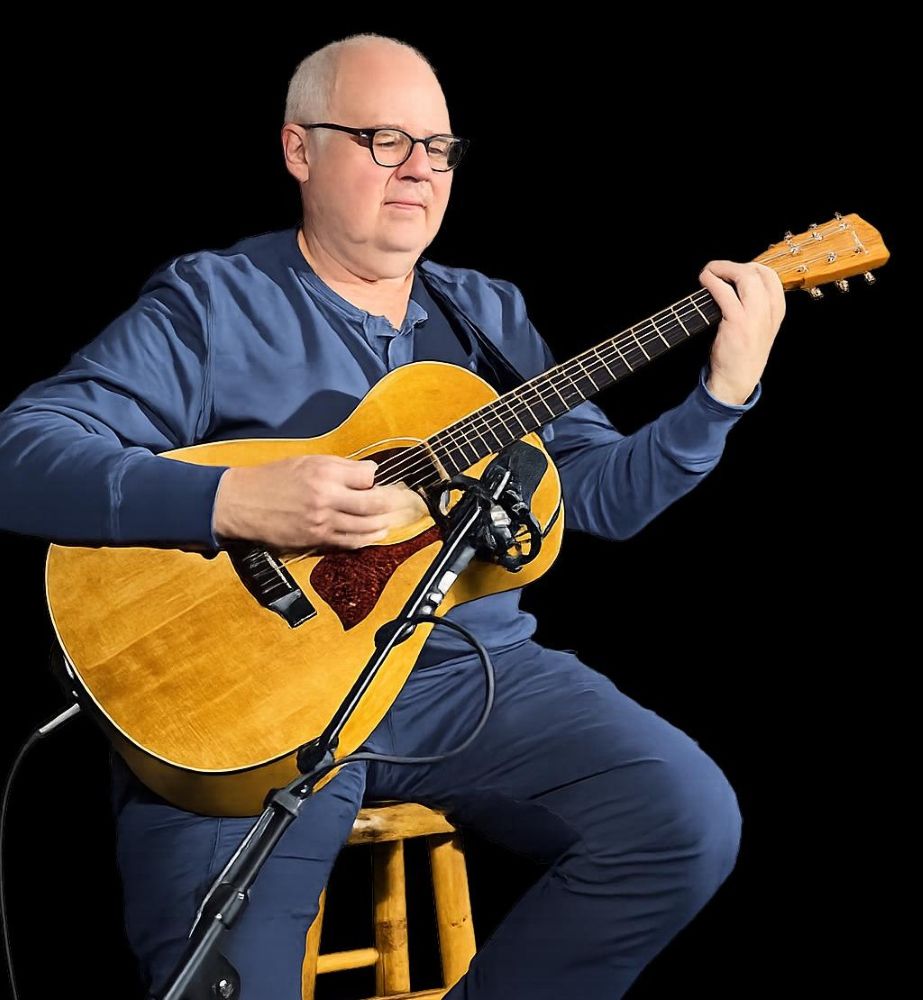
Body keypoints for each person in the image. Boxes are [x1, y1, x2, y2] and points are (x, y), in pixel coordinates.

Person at [0, 32, 785, 1000]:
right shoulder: (213, 303)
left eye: (438, 147)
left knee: (680, 820)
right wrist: (230, 499)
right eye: (383, 139)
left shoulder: (487, 316)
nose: (419, 168)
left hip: (464, 675)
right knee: (225, 983)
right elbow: (20, 455)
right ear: (298, 149)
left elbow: (597, 497)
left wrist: (720, 395)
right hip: (249, 697)